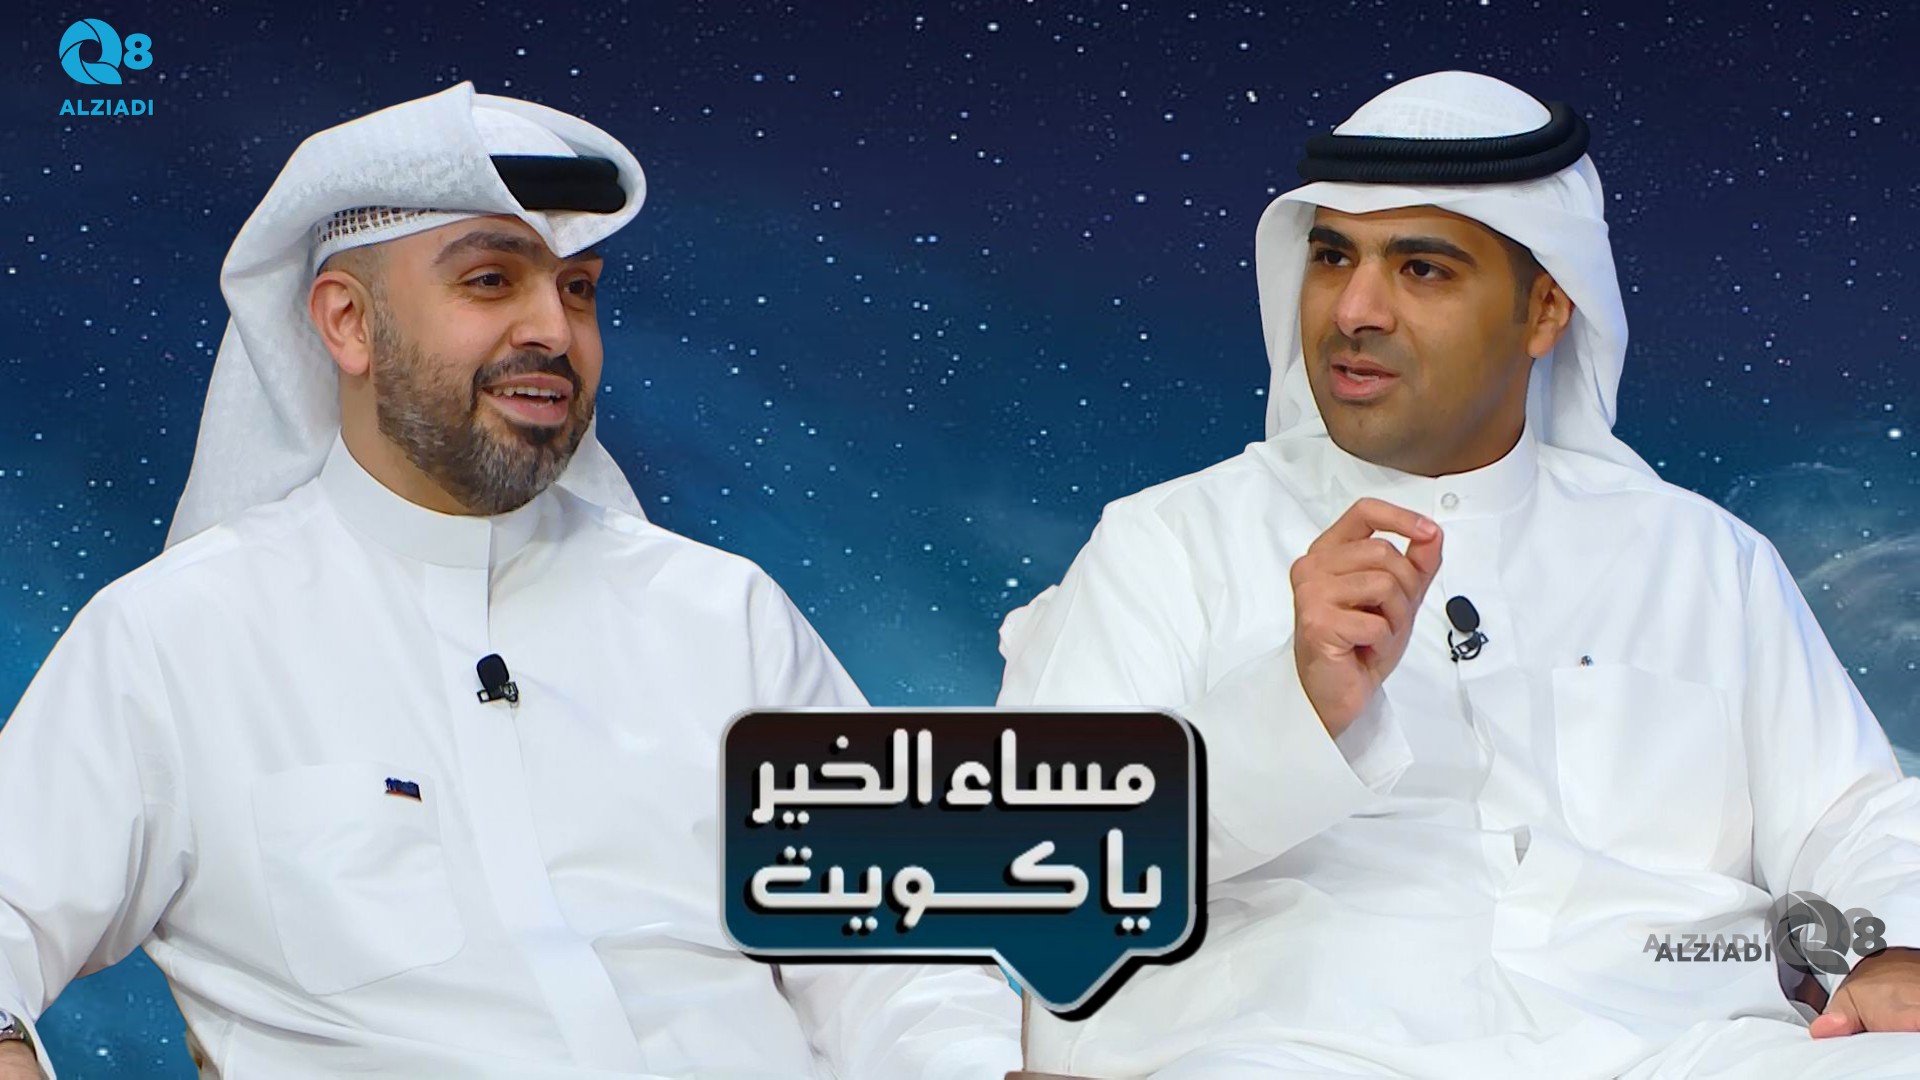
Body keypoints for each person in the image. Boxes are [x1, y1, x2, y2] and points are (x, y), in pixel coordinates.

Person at [0, 83, 1020, 1080]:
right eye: (491, 280)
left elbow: (904, 965)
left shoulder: (723, 616)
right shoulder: (180, 637)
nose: (554, 331)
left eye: (578, 290)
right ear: (347, 323)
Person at [995, 71, 1920, 1079]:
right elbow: (1042, 868)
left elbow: (1850, 815)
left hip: (1688, 1048)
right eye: (1331, 257)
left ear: (1546, 310)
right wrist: (1290, 710)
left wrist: (1898, 947)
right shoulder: (1169, 544)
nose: (1354, 310)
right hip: (1293, 1049)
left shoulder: (1702, 558)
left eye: (1422, 269)